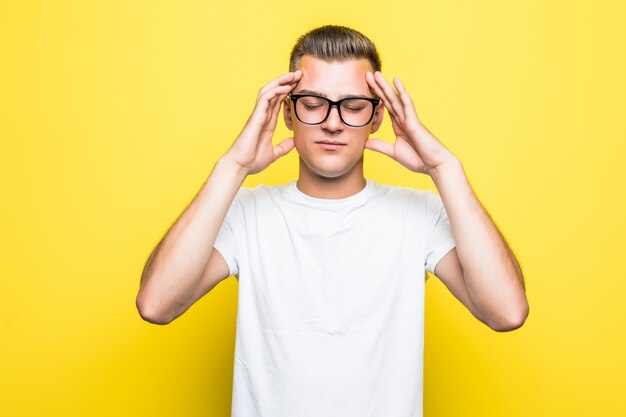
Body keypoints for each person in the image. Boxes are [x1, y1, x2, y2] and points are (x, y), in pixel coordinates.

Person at [136, 25, 529, 417]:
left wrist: (445, 167)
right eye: (312, 103)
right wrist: (233, 165)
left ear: (377, 118)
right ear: (287, 112)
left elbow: (506, 312)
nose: (333, 123)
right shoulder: (245, 214)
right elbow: (157, 304)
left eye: (354, 106)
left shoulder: (419, 215)